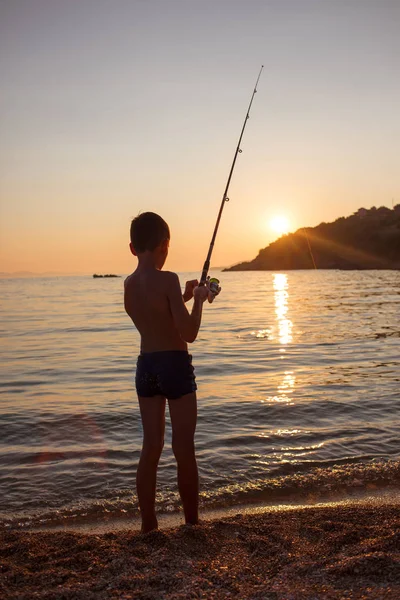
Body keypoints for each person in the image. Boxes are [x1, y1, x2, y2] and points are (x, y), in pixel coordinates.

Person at [124, 211, 218, 533]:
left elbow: (157, 319)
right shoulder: (168, 279)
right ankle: (191, 522)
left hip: (146, 367)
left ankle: (148, 524)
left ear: (133, 248)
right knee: (183, 449)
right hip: (175, 367)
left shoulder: (129, 285)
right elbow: (188, 332)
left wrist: (184, 297)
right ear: (165, 244)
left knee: (151, 448)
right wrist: (200, 300)